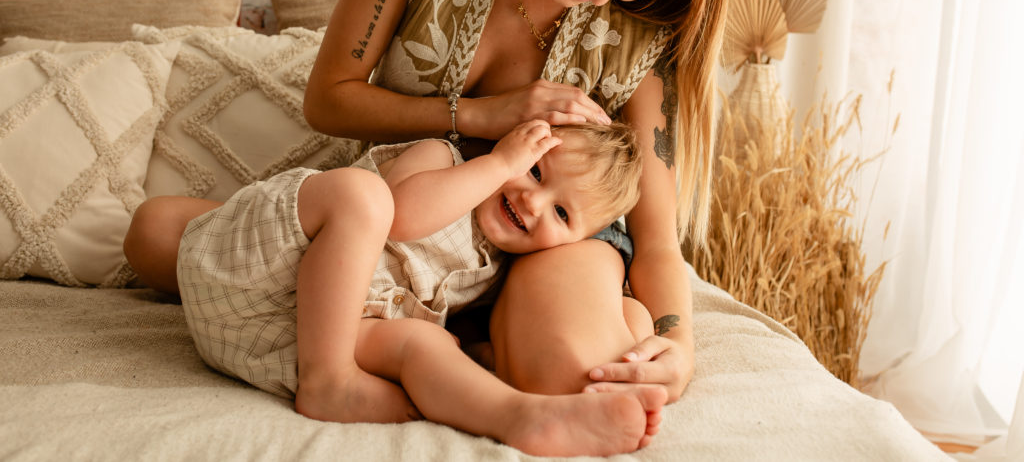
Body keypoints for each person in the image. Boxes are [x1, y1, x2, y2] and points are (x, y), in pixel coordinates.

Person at [127, 0, 737, 405]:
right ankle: (429, 332)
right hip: (405, 215)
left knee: (572, 374)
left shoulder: (649, 28)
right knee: (154, 239)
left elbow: (658, 237)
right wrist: (476, 116)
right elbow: (329, 100)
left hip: (547, 240)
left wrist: (676, 345)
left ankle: (502, 345)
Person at [126, 120, 664, 456]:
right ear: (516, 141)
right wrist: (498, 163)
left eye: (562, 214)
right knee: (365, 198)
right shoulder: (445, 159)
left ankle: (525, 420)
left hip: (284, 337)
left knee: (424, 344)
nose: (532, 202)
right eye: (536, 171)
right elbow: (401, 217)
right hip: (262, 266)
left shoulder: (497, 269)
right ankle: (329, 382)